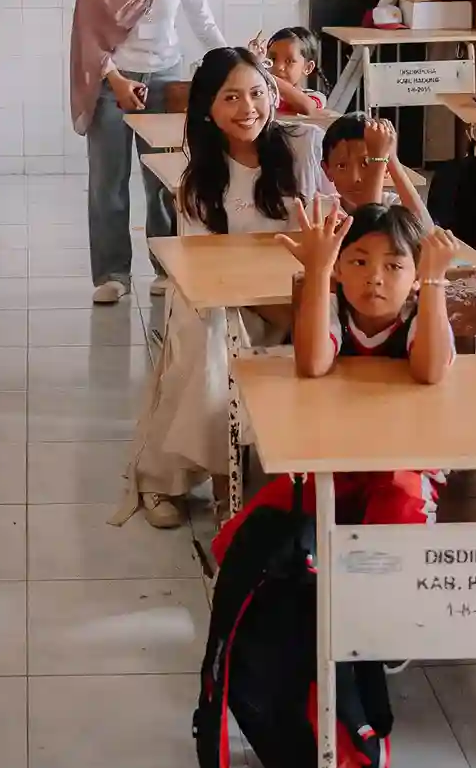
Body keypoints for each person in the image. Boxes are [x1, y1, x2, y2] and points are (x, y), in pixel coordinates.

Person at [115, 46, 322, 529]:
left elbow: (324, 229)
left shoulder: (301, 146)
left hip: (300, 293)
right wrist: (277, 313)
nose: (247, 108)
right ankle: (192, 477)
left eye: (256, 93)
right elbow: (208, 277)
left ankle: (283, 471)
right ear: (207, 109)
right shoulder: (199, 182)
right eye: (230, 97)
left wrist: (299, 306)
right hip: (229, 300)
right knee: (211, 341)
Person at [69, 0, 227, 305]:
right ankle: (112, 273)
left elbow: (203, 23)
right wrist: (115, 79)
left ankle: (165, 264)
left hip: (165, 81)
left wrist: (235, 65)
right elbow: (88, 34)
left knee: (164, 181)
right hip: (110, 82)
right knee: (108, 181)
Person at [276, 198, 459, 523]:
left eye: (393, 266)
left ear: (416, 276)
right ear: (338, 267)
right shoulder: (334, 308)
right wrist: (317, 273)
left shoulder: (423, 314)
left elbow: (430, 372)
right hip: (332, 456)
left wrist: (433, 280)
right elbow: (313, 365)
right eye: (359, 263)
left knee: (398, 515)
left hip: (405, 462)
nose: (375, 277)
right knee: (275, 513)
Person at [320, 113, 432, 221]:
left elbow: (426, 232)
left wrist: (391, 158)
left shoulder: (394, 205)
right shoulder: (321, 209)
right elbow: (368, 231)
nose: (355, 178)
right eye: (342, 166)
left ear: (386, 167)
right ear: (327, 170)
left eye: (368, 163)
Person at [258, 26, 327, 115]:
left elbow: (308, 108)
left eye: (289, 61)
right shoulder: (263, 94)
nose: (278, 66)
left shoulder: (314, 96)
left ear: (308, 68)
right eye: (273, 59)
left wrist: (270, 78)